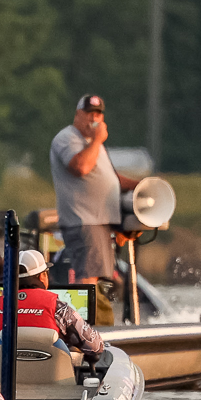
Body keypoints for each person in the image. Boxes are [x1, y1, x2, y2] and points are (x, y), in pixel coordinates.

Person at [49, 94, 139, 282]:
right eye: (89, 114)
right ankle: (83, 312)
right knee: (88, 278)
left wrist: (141, 186)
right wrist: (98, 140)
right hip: (85, 220)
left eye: (98, 115)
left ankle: (94, 310)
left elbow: (109, 178)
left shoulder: (92, 144)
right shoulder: (67, 138)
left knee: (96, 277)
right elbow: (80, 167)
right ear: (78, 115)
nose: (94, 119)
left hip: (99, 221)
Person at [0, 249, 106, 358]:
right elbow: (95, 346)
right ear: (42, 276)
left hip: (3, 386)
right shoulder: (59, 308)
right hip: (53, 384)